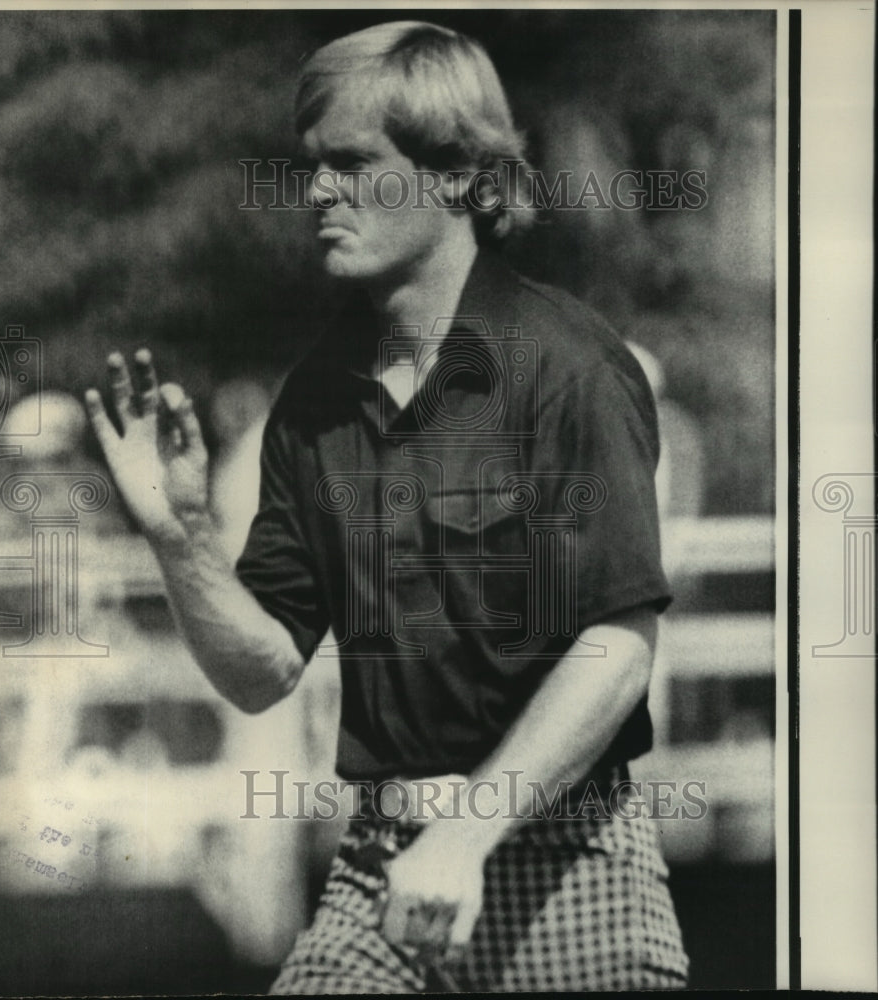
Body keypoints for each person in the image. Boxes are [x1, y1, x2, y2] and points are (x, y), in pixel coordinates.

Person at [85, 20, 689, 993]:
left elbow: (615, 648)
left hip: (568, 875)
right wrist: (178, 538)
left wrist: (465, 833)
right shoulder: (314, 400)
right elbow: (262, 671)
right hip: (381, 867)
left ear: (456, 174)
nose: (317, 190)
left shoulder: (571, 366)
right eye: (312, 166)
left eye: (353, 162)